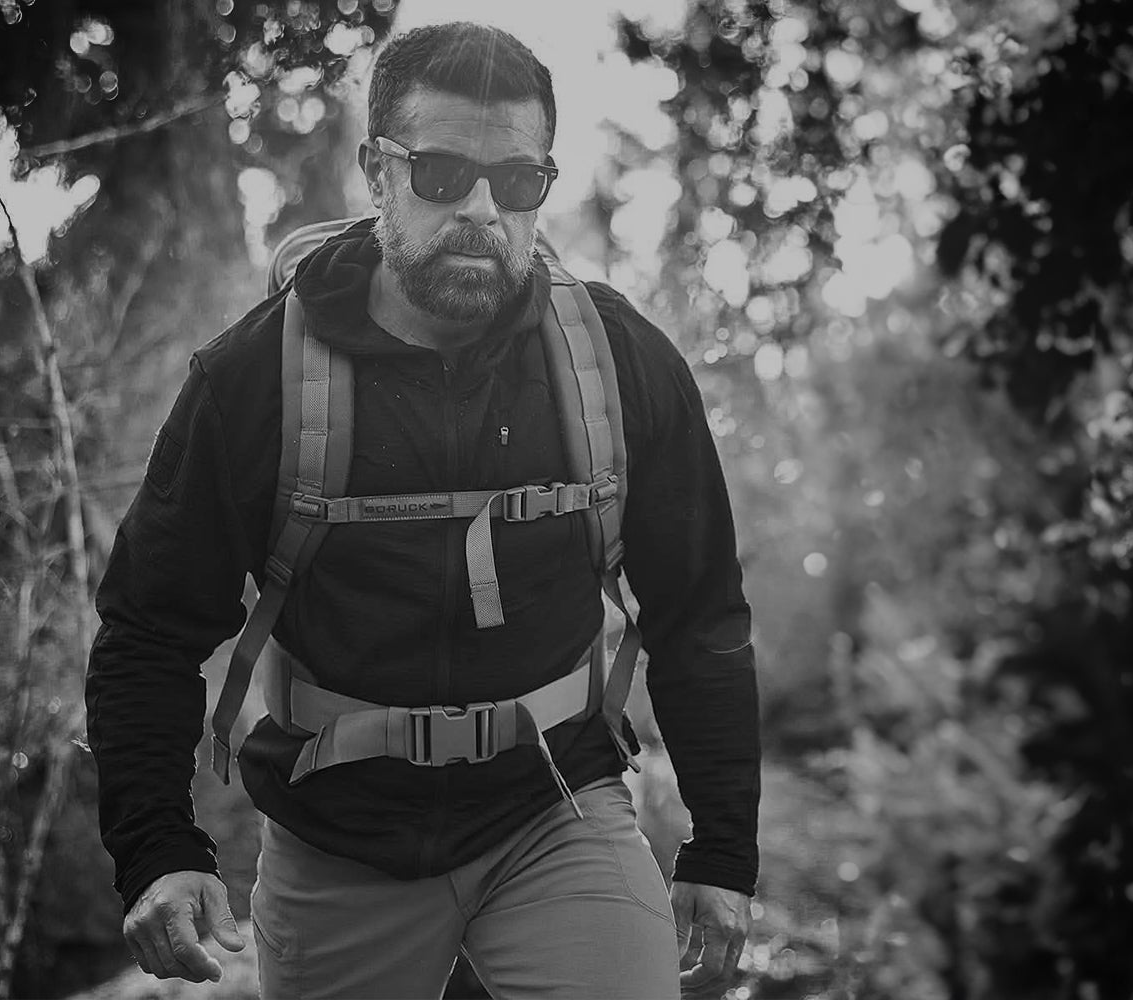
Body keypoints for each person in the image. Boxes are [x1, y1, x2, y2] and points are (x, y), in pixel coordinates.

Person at [84, 21, 761, 999]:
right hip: (335, 839)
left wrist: (722, 848)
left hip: (557, 808)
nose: (482, 208)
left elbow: (698, 612)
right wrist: (156, 846)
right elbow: (148, 627)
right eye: (442, 172)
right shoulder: (254, 382)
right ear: (375, 171)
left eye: (517, 181)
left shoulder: (617, 365)